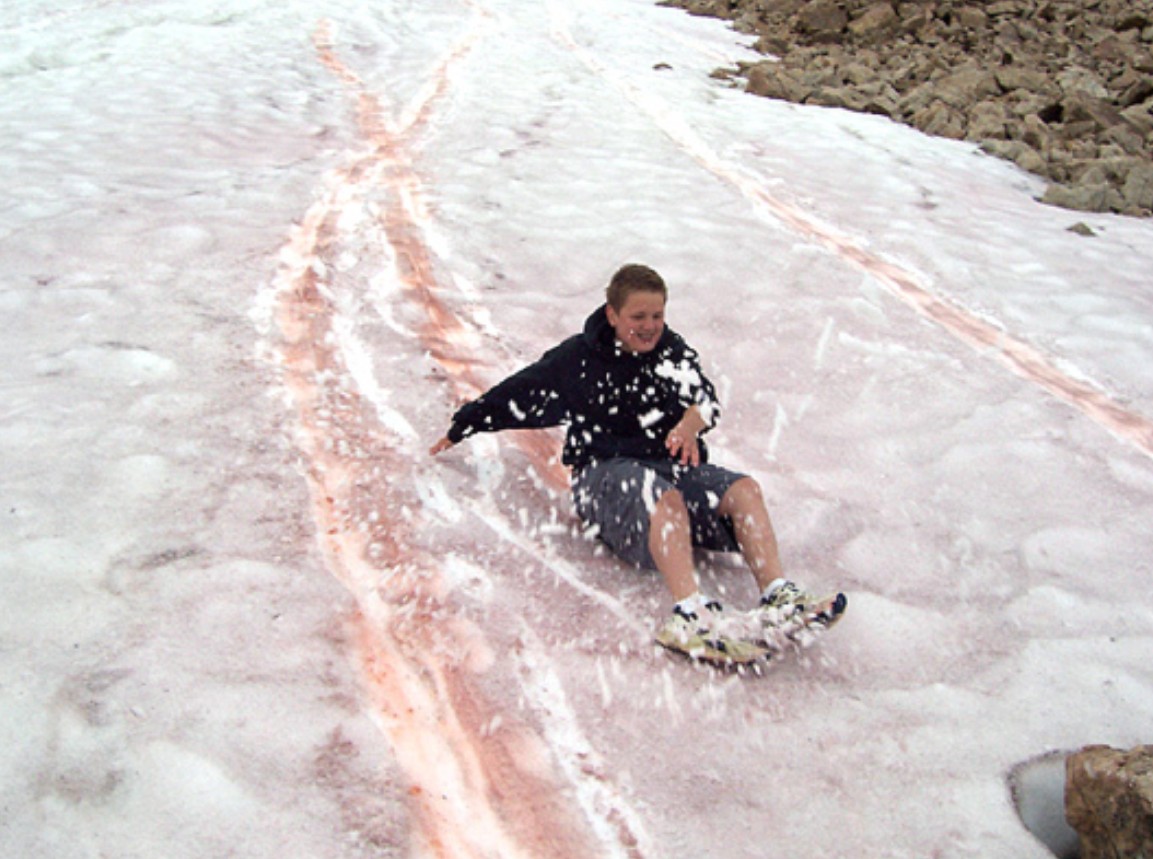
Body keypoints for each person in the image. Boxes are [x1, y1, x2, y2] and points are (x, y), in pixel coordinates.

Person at [430, 263, 838, 654]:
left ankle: (778, 595)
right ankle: (690, 616)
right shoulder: (578, 359)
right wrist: (463, 425)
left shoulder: (670, 353)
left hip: (668, 472)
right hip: (604, 479)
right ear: (612, 314)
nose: (649, 326)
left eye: (657, 315)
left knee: (744, 490)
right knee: (665, 499)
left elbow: (706, 399)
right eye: (638, 316)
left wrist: (690, 424)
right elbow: (518, 393)